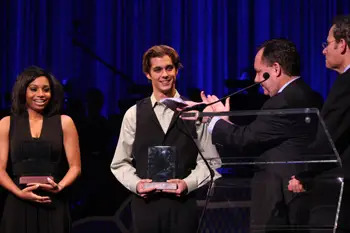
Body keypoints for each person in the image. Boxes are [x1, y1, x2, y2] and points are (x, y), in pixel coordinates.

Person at [186, 39, 323, 232]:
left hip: (282, 200)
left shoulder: (283, 102)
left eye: (259, 72)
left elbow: (244, 140)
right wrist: (224, 121)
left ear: (275, 69)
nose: (256, 80)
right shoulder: (310, 94)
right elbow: (259, 137)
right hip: (297, 197)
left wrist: (212, 118)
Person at [110, 45, 221, 233]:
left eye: (169, 68)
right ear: (147, 74)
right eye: (158, 69)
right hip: (145, 208)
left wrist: (187, 183)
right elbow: (119, 163)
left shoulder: (193, 112)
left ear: (176, 70)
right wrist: (137, 184)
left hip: (183, 207)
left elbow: (212, 163)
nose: (165, 74)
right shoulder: (133, 114)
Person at [0, 66, 81, 233]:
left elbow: (75, 167)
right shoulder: (6, 123)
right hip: (18, 202)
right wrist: (19, 193)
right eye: (34, 89)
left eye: (46, 89)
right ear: (23, 91)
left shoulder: (65, 122)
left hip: (53, 202)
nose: (41, 95)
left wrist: (60, 186)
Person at [288, 15, 350, 233]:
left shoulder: (346, 84)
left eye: (328, 43)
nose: (324, 50)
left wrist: (304, 173)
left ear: (342, 44)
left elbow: (330, 135)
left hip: (339, 193)